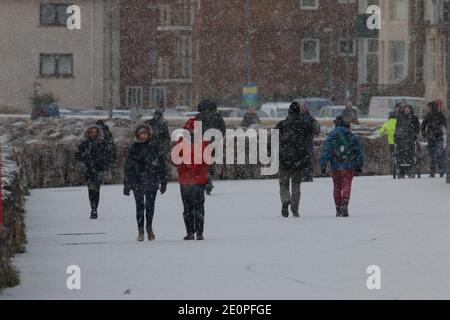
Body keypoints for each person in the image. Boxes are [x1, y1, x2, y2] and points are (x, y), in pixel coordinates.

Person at [123, 124, 168, 242]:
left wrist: (163, 181)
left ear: (148, 134)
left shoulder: (154, 147)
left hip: (151, 180)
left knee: (150, 206)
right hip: (137, 181)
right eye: (141, 133)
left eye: (145, 133)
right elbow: (128, 166)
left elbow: (161, 165)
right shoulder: (134, 148)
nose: (143, 136)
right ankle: (140, 230)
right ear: (137, 135)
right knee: (139, 207)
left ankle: (149, 227)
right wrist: (126, 184)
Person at [275, 101, 315, 217]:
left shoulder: (281, 124)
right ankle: (294, 209)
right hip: (299, 159)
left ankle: (285, 200)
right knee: (296, 184)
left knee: (283, 183)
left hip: (284, 159)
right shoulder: (304, 125)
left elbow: (272, 140)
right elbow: (309, 140)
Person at [174, 118, 211, 240]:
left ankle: (198, 231)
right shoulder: (182, 142)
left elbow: (207, 159)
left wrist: (192, 167)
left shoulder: (202, 142)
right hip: (189, 178)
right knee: (189, 207)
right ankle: (191, 231)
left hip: (195, 179)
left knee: (196, 206)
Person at [320, 116, 364, 217]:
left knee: (337, 186)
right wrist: (359, 165)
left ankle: (338, 207)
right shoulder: (351, 135)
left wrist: (323, 164)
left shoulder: (332, 135)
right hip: (348, 165)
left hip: (335, 166)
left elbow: (326, 151)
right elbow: (358, 151)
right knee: (346, 184)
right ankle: (345, 203)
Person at [75, 124, 113, 219]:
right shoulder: (85, 144)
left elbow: (108, 155)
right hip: (88, 169)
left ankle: (94, 209)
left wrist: (102, 162)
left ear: (98, 132)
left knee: (96, 189)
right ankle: (93, 207)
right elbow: (78, 155)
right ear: (88, 133)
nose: (93, 133)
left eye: (95, 131)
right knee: (90, 190)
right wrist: (85, 159)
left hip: (98, 169)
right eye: (91, 131)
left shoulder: (102, 143)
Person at [195, 99, 226, 195]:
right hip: (214, 142)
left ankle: (205, 178)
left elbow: (196, 131)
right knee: (211, 161)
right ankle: (209, 177)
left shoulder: (199, 116)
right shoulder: (217, 116)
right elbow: (222, 129)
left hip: (202, 143)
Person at [421, 101, 447, 178]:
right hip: (436, 137)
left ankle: (436, 171)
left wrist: (424, 134)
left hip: (434, 137)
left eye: (429, 107)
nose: (428, 108)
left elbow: (423, 126)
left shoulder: (430, 115)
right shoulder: (439, 115)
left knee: (434, 155)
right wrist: (424, 133)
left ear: (431, 107)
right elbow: (423, 125)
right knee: (437, 154)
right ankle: (440, 171)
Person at [394, 104, 420, 178]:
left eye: (408, 108)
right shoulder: (400, 118)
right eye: (406, 108)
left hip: (410, 138)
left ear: (410, 110)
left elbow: (417, 127)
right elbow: (397, 127)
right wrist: (395, 136)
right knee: (400, 154)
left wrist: (415, 134)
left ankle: (410, 170)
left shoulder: (414, 118)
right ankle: (401, 171)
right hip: (401, 139)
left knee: (411, 154)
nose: (407, 110)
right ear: (404, 109)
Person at [299, 102, 321, 182]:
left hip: (301, 144)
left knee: (302, 160)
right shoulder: (312, 119)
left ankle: (304, 175)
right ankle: (308, 175)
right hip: (308, 143)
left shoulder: (298, 119)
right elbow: (317, 130)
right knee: (308, 160)